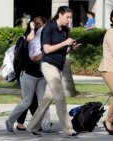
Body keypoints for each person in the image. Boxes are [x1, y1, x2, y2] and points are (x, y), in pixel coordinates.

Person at [26, 6, 81, 137]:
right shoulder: (48, 28)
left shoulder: (65, 30)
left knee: (48, 98)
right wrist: (64, 43)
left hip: (58, 66)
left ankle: (32, 126)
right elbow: (47, 50)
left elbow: (63, 51)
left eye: (70, 18)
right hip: (48, 65)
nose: (69, 20)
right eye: (67, 17)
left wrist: (72, 47)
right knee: (60, 96)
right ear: (60, 15)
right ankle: (68, 129)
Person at [5, 16, 53, 133]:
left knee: (43, 101)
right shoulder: (25, 39)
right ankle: (10, 121)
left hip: (41, 75)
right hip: (28, 75)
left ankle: (46, 125)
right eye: (43, 28)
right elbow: (24, 58)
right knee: (26, 101)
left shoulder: (45, 40)